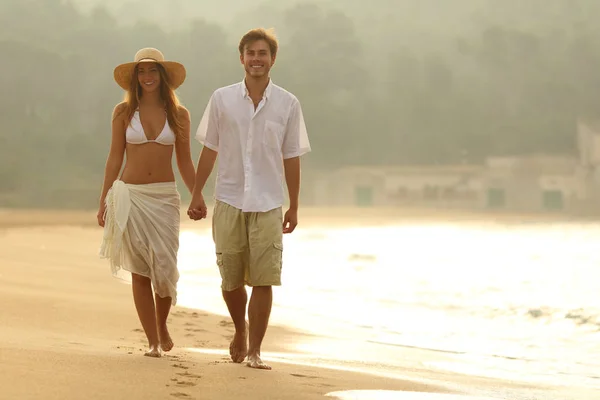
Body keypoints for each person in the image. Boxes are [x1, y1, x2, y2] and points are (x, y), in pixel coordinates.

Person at [187, 28, 311, 370]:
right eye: (251, 53)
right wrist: (196, 192)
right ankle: (239, 329)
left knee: (264, 278)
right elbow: (209, 148)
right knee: (230, 279)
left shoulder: (288, 103)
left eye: (263, 53)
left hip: (269, 202)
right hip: (228, 198)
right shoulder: (222, 99)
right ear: (241, 58)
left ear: (272, 60)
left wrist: (295, 205)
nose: (257, 59)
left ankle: (255, 350)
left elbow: (292, 157)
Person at [97, 48, 196, 358]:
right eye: (142, 72)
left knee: (166, 267)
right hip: (131, 195)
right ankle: (153, 341)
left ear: (162, 76)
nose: (148, 77)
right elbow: (115, 158)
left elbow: (184, 160)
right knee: (140, 271)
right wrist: (103, 201)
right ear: (135, 77)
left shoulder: (179, 114)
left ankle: (161, 323)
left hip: (165, 197)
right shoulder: (123, 113)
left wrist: (197, 194)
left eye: (153, 71)